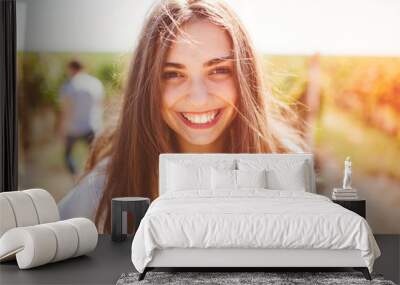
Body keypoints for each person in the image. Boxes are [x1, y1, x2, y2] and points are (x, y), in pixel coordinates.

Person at [58, 0, 307, 233]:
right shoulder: (102, 189)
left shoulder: (288, 169)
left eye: (219, 70)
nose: (198, 99)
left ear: (246, 77)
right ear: (147, 86)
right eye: (173, 74)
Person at [58, 60, 104, 177]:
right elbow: (100, 104)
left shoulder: (69, 86)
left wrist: (62, 128)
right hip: (91, 126)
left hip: (73, 127)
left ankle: (75, 176)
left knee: (67, 155)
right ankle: (91, 177)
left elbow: (65, 110)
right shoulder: (95, 83)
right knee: (94, 156)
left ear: (71, 69)